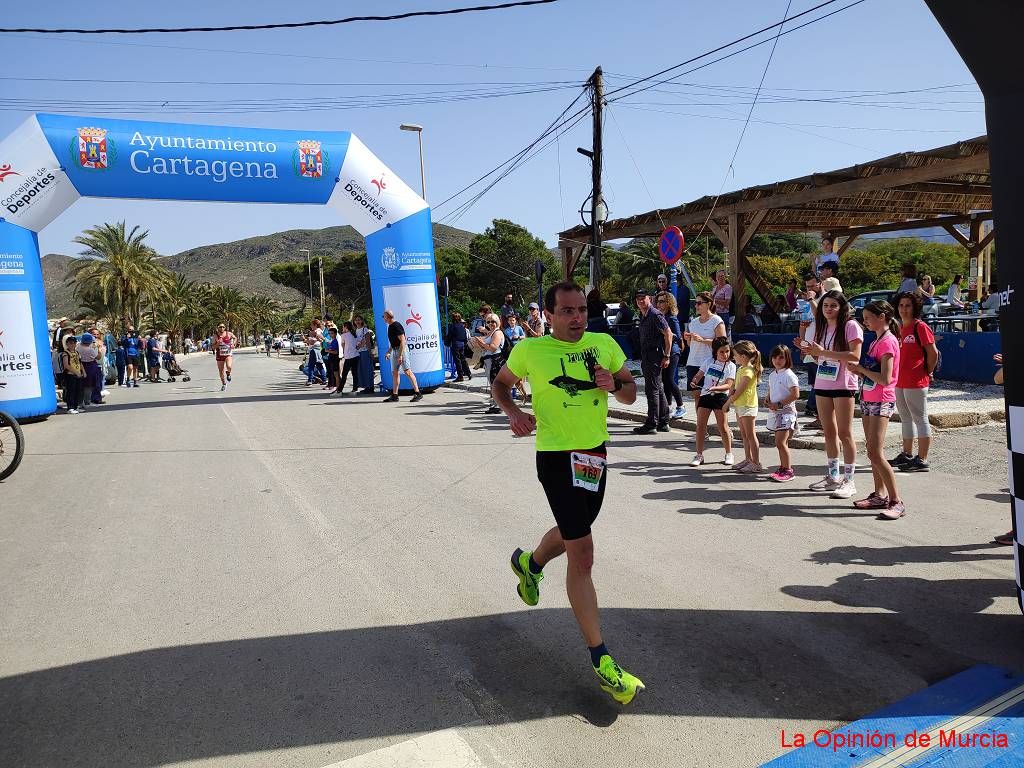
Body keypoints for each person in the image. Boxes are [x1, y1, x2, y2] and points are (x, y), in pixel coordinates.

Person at [492, 280, 644, 705]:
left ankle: (529, 562)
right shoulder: (530, 350)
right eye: (567, 311)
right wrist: (514, 412)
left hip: (593, 453)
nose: (577, 318)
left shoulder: (604, 344)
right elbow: (501, 384)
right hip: (556, 457)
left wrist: (612, 386)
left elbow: (632, 394)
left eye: (581, 310)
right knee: (583, 552)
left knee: (573, 528)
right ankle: (602, 659)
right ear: (550, 314)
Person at [797, 290, 863, 500]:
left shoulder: (851, 326)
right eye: (825, 305)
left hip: (844, 384)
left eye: (833, 305)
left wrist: (822, 352)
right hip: (823, 382)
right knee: (829, 433)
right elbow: (821, 358)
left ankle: (849, 480)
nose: (828, 309)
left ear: (841, 307)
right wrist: (811, 352)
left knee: (845, 433)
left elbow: (854, 356)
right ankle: (833, 476)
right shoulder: (823, 327)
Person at [849, 300, 904, 519]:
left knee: (875, 452)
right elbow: (874, 373)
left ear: (882, 317)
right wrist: (859, 371)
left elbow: (886, 378)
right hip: (869, 397)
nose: (865, 322)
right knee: (872, 452)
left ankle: (895, 500)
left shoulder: (888, 342)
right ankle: (879, 494)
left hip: (882, 399)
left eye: (869, 318)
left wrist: (861, 369)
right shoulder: (876, 341)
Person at [890, 292, 937, 472]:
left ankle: (922, 459)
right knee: (905, 418)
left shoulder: (921, 327)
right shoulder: (898, 327)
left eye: (907, 305)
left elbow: (933, 353)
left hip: (916, 380)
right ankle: (907, 454)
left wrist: (928, 371)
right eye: (901, 305)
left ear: (915, 307)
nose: (904, 309)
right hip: (900, 380)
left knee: (920, 418)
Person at [689, 337, 735, 466]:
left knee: (723, 427)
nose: (725, 354)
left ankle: (729, 453)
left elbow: (728, 384)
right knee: (700, 426)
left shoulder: (731, 366)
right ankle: (699, 455)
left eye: (727, 351)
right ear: (715, 351)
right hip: (706, 395)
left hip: (720, 397)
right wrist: (694, 381)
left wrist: (716, 388)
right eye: (722, 352)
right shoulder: (709, 361)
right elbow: (699, 374)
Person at [632, 289, 673, 434]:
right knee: (658, 388)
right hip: (647, 355)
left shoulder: (655, 314)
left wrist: (667, 355)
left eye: (643, 298)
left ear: (650, 298)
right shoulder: (643, 315)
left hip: (655, 355)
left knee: (652, 390)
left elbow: (668, 333)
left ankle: (652, 423)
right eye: (638, 299)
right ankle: (663, 421)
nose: (640, 301)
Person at [683, 292, 727, 412]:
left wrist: (703, 340)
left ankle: (722, 427)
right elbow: (690, 345)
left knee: (713, 396)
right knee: (698, 396)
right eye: (695, 303)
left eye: (699, 303)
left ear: (708, 304)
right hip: (693, 362)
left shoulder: (716, 320)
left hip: (711, 363)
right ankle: (701, 428)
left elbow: (723, 343)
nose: (696, 306)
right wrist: (688, 339)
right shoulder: (693, 322)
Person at [724, 339, 761, 474]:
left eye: (735, 355)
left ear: (743, 356)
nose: (733, 357)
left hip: (748, 405)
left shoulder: (748, 371)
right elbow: (734, 387)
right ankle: (748, 459)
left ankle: (756, 463)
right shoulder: (741, 369)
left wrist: (728, 402)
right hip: (740, 405)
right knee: (744, 435)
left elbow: (739, 390)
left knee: (751, 435)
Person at [764, 345, 800, 482]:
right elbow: (772, 388)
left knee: (780, 442)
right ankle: (783, 467)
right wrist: (768, 398)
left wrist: (779, 404)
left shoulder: (789, 375)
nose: (777, 360)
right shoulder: (773, 374)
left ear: (787, 359)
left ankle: (788, 470)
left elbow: (795, 394)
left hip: (787, 413)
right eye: (774, 357)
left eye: (781, 357)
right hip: (775, 412)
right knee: (779, 442)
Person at [655, 291, 686, 419]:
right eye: (658, 301)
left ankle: (681, 406)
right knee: (665, 380)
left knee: (669, 379)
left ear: (668, 303)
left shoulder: (671, 318)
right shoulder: (659, 317)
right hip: (663, 351)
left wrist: (666, 333)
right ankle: (668, 406)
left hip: (673, 352)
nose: (659, 304)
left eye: (662, 301)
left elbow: (678, 337)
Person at [381, 309, 423, 403]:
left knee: (407, 371)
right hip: (395, 350)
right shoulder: (390, 327)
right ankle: (395, 395)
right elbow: (394, 342)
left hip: (401, 350)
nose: (383, 318)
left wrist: (400, 355)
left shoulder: (396, 325)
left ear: (387, 317)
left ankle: (418, 393)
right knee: (395, 373)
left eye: (383, 316)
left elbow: (403, 341)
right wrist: (388, 352)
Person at [798, 273, 822, 428]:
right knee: (814, 381)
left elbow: (821, 318)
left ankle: (817, 413)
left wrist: (812, 299)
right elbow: (802, 324)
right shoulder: (806, 302)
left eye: (813, 286)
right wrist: (802, 344)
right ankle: (816, 413)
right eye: (808, 287)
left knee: (822, 381)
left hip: (821, 347)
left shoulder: (824, 300)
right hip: (808, 346)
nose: (810, 289)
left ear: (820, 284)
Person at [470, 313, 506, 413]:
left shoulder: (497, 333)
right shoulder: (491, 332)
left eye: (493, 321)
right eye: (488, 322)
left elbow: (493, 348)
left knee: (495, 383)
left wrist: (482, 343)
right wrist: (479, 344)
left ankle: (498, 405)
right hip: (489, 360)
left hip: (495, 360)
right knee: (493, 383)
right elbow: (488, 347)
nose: (490, 324)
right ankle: (495, 404)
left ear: (497, 321)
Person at [60, 336, 86, 414]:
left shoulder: (76, 352)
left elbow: (80, 362)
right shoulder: (65, 353)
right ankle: (70, 407)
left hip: (78, 374)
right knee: (71, 391)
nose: (72, 345)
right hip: (70, 374)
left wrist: (83, 372)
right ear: (67, 344)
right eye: (70, 343)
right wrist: (75, 372)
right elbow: (66, 365)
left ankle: (76, 406)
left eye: (74, 343)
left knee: (78, 391)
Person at [77, 332, 102, 409]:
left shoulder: (78, 347)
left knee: (81, 385)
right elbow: (98, 357)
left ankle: (80, 402)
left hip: (80, 366)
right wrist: (99, 350)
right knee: (89, 386)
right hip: (90, 366)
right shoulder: (90, 350)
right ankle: (87, 401)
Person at [445, 311, 472, 382]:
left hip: (455, 344)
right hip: (462, 344)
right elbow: (465, 336)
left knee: (457, 361)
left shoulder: (452, 326)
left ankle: (460, 376)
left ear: (453, 318)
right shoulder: (462, 326)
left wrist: (446, 343)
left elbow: (449, 336)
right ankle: (468, 373)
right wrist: (465, 343)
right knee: (463, 359)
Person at [353, 315, 376, 394]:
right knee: (361, 370)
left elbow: (367, 342)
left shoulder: (365, 329)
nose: (357, 321)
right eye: (356, 320)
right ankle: (366, 387)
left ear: (362, 321)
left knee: (368, 370)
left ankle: (370, 387)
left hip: (365, 352)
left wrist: (370, 352)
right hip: (358, 353)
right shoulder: (355, 330)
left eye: (359, 320)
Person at [338, 321, 361, 394]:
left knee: (344, 374)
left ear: (346, 327)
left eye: (343, 327)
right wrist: (356, 348)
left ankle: (340, 390)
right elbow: (359, 343)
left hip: (348, 357)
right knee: (355, 373)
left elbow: (343, 345)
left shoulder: (343, 335)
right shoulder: (354, 334)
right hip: (356, 355)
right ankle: (355, 389)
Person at [211, 324, 236, 391]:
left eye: (223, 327)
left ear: (225, 328)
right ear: (218, 328)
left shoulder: (229, 334)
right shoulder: (215, 336)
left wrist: (234, 344)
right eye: (220, 327)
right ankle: (224, 384)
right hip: (219, 355)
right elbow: (213, 347)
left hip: (228, 354)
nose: (222, 328)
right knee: (221, 371)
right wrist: (218, 343)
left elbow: (235, 338)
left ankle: (228, 373)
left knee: (229, 366)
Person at [710, 270, 733, 336]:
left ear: (725, 277)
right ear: (716, 278)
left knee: (723, 336)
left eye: (722, 276)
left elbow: (727, 302)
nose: (720, 278)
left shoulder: (727, 287)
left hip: (723, 314)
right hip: (714, 313)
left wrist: (714, 299)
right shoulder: (715, 287)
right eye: (718, 276)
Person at [325, 325, 342, 394]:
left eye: (331, 333)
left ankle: (338, 389)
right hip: (331, 358)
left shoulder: (336, 341)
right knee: (335, 374)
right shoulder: (332, 341)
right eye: (329, 333)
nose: (330, 335)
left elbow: (336, 352)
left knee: (336, 374)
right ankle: (338, 388)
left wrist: (328, 351)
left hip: (335, 358)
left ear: (335, 333)